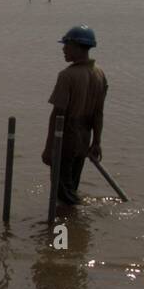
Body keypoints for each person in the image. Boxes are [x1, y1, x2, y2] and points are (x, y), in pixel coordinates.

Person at [42, 26, 107, 206]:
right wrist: (96, 142)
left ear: (78, 47)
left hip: (66, 139)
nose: (63, 49)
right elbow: (99, 113)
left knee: (63, 194)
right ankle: (75, 228)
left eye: (67, 45)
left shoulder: (67, 76)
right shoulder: (99, 73)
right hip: (84, 140)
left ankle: (70, 221)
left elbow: (58, 114)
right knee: (71, 186)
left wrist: (49, 148)